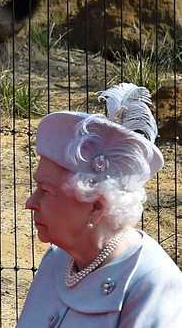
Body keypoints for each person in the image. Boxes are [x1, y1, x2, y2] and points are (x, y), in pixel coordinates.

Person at [19, 82, 182, 327]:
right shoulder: (57, 261)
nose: (30, 203)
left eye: (46, 190)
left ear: (97, 206)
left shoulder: (153, 285)